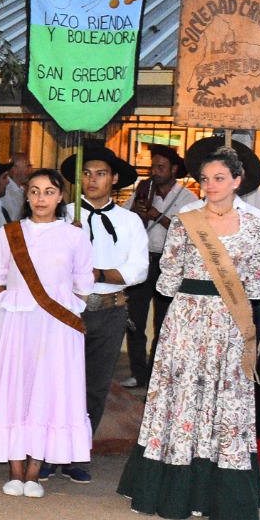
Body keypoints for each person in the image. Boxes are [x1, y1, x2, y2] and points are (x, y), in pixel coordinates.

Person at [118, 148, 260, 520]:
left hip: (231, 322)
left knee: (225, 398)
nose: (211, 186)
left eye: (219, 178)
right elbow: (167, 280)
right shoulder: (186, 221)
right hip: (185, 320)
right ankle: (170, 490)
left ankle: (223, 496)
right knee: (180, 395)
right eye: (205, 179)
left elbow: (258, 284)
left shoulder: (256, 226)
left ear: (237, 180)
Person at [0, 169, 95, 497]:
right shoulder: (9, 234)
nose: (41, 198)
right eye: (34, 191)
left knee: (48, 393)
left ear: (61, 197)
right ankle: (15, 471)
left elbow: (83, 283)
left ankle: (34, 472)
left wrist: (61, 310)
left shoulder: (75, 235)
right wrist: (15, 306)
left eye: (48, 191)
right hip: (15, 325)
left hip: (58, 328)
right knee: (13, 391)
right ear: (26, 195)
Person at [57, 144, 147, 483]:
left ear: (114, 179)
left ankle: (78, 453)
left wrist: (98, 274)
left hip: (110, 311)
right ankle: (51, 451)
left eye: (100, 174)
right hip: (67, 310)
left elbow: (138, 268)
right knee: (60, 383)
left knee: (94, 388)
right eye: (86, 173)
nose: (92, 179)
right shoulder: (62, 214)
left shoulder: (129, 221)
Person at [124, 144, 195, 388]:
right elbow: (125, 221)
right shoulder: (144, 189)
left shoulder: (187, 197)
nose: (155, 171)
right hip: (144, 261)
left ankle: (156, 375)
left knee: (163, 323)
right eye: (153, 166)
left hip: (169, 265)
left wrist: (157, 215)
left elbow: (188, 232)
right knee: (135, 321)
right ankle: (138, 373)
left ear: (174, 169)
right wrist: (137, 211)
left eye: (161, 167)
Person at [1, 150, 34, 223]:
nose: (31, 170)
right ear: (15, 170)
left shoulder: (22, 189)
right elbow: (13, 219)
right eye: (28, 166)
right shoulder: (6, 191)